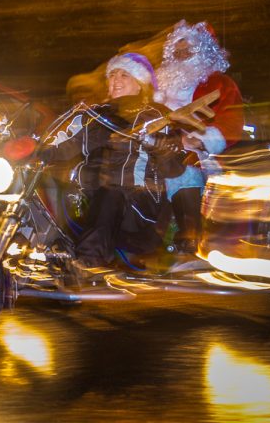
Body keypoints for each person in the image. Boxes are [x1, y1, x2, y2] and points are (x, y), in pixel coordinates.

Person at [42, 53, 187, 276]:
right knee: (43, 182)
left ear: (140, 84)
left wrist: (160, 147)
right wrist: (37, 151)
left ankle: (88, 262)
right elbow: (67, 144)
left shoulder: (156, 116)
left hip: (137, 208)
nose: (116, 80)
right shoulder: (96, 115)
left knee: (111, 191)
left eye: (124, 75)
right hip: (90, 200)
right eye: (112, 75)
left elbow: (175, 168)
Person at [154, 20, 244, 254]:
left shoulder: (221, 84)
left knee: (183, 170)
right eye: (177, 52)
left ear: (203, 52)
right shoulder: (157, 88)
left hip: (197, 152)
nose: (182, 56)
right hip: (155, 146)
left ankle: (190, 236)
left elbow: (231, 121)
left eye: (188, 51)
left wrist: (199, 139)